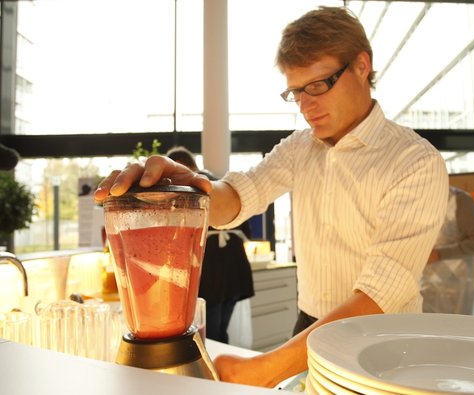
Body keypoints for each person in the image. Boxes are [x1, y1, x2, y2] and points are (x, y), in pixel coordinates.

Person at [94, 6, 448, 388]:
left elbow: (381, 295)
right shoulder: (301, 147)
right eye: (295, 92)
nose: (306, 105)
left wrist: (266, 368)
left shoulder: (415, 161)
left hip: (384, 341)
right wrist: (188, 192)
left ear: (362, 65)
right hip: (309, 327)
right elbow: (241, 195)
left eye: (317, 85)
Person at [166, 146, 254, 344]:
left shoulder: (188, 192)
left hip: (210, 273)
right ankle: (222, 365)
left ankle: (212, 368)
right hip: (235, 271)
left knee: (210, 334)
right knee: (222, 330)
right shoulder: (223, 186)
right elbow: (247, 232)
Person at [421, 186, 474, 316]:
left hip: (458, 286)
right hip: (426, 284)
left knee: (458, 331)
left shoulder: (459, 200)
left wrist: (439, 254)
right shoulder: (412, 202)